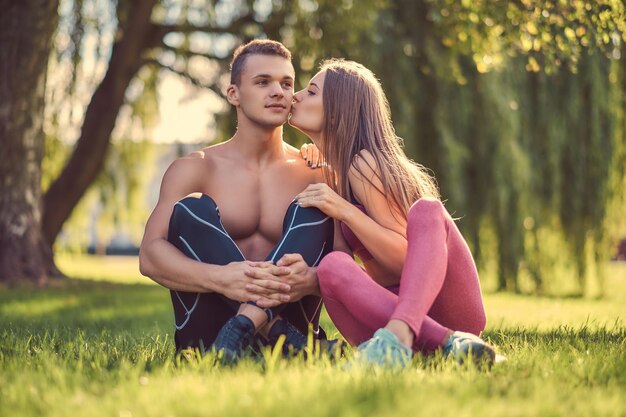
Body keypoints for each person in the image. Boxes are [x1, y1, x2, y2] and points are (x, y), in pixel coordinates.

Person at [287, 59, 496, 367]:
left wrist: (343, 210)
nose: (296, 95)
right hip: (389, 311)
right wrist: (310, 278)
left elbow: (402, 260)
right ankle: (442, 345)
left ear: (339, 110)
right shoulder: (332, 176)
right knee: (332, 265)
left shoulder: (364, 164)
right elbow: (344, 262)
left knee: (428, 209)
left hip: (442, 307)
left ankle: (409, 334)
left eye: (312, 91)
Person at [139, 40, 337, 361]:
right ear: (233, 94)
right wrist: (221, 278)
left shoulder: (315, 172)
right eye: (262, 82)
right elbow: (149, 256)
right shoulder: (196, 168)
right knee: (191, 209)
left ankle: (268, 331)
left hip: (298, 330)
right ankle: (270, 333)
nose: (278, 92)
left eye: (286, 83)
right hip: (210, 337)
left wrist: (311, 280)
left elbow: (346, 269)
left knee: (314, 204)